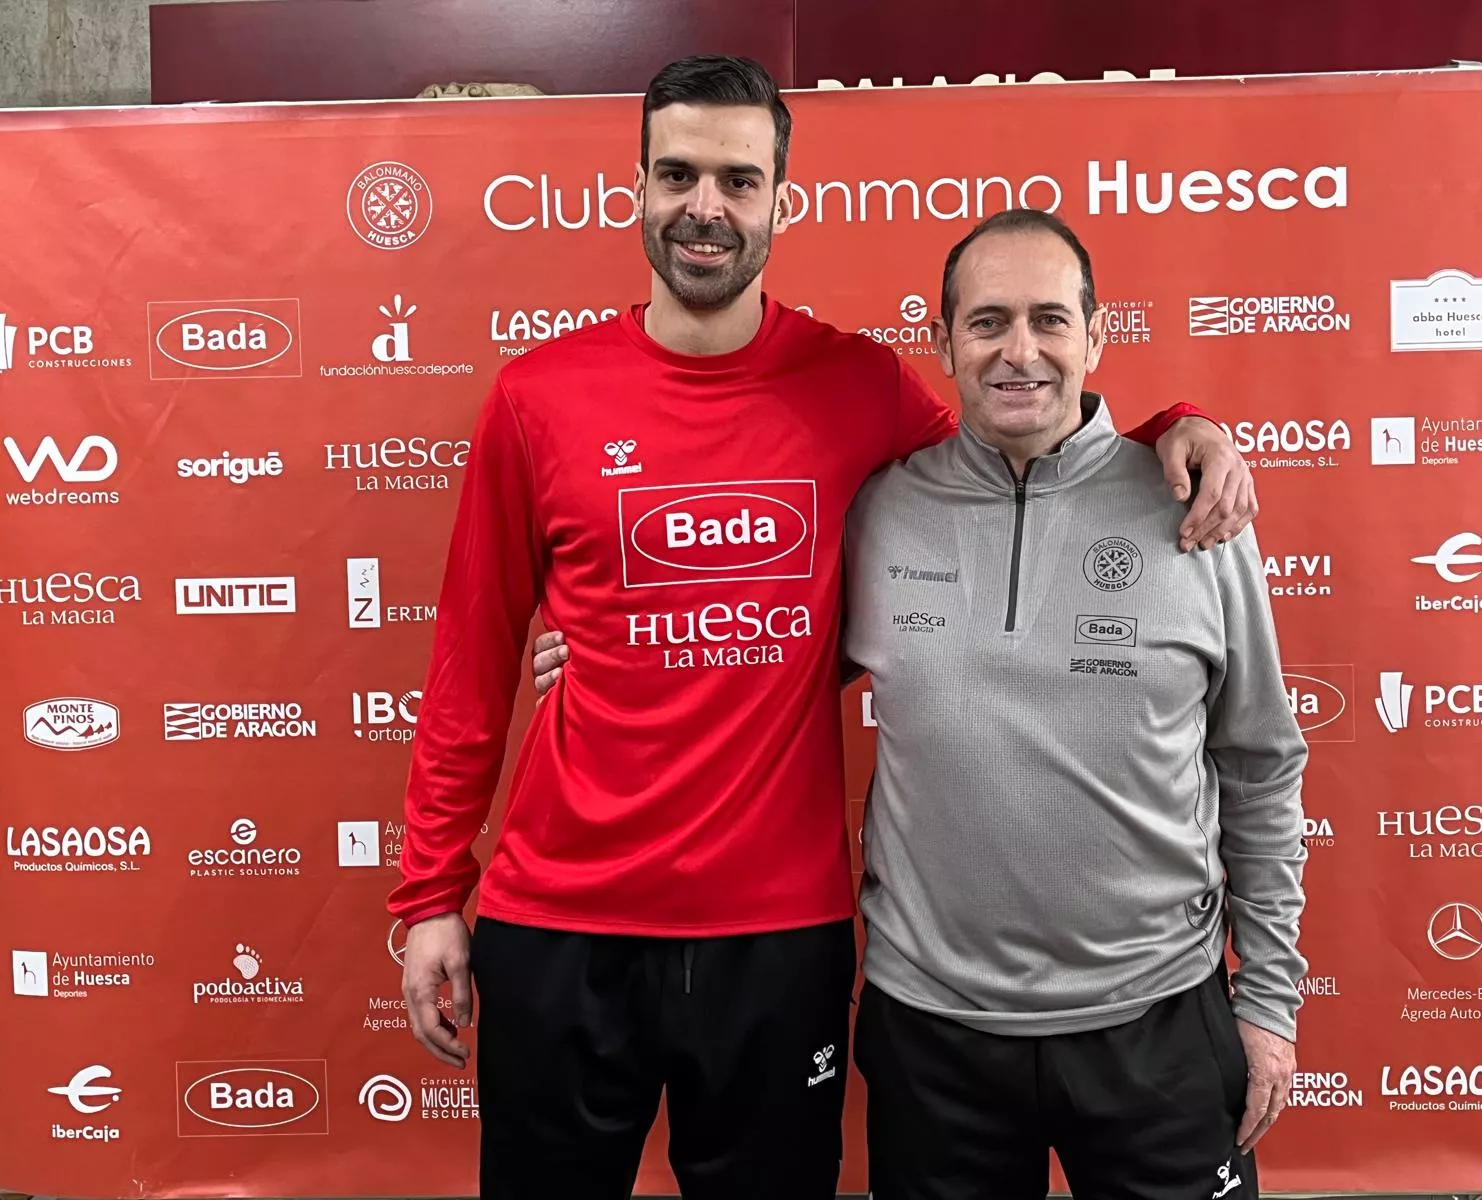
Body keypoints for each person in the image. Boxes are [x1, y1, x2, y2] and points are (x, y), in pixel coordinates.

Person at [393, 54, 1260, 1200]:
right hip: (560, 922)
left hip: (778, 932)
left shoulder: (859, 387)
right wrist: (423, 899)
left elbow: (1023, 448)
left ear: (778, 203)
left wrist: (1169, 428)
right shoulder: (536, 397)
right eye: (678, 176)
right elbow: (468, 662)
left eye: (738, 181)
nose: (705, 207)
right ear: (639, 191)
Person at [844, 208, 1307, 1200]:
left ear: (1096, 337)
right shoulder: (877, 512)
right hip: (933, 1032)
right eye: (988, 322)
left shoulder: (1197, 509)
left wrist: (1267, 1000)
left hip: (1159, 1021)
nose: (1021, 351)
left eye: (1051, 321)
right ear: (943, 342)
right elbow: (747, 664)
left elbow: (1261, 764)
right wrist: (607, 644)